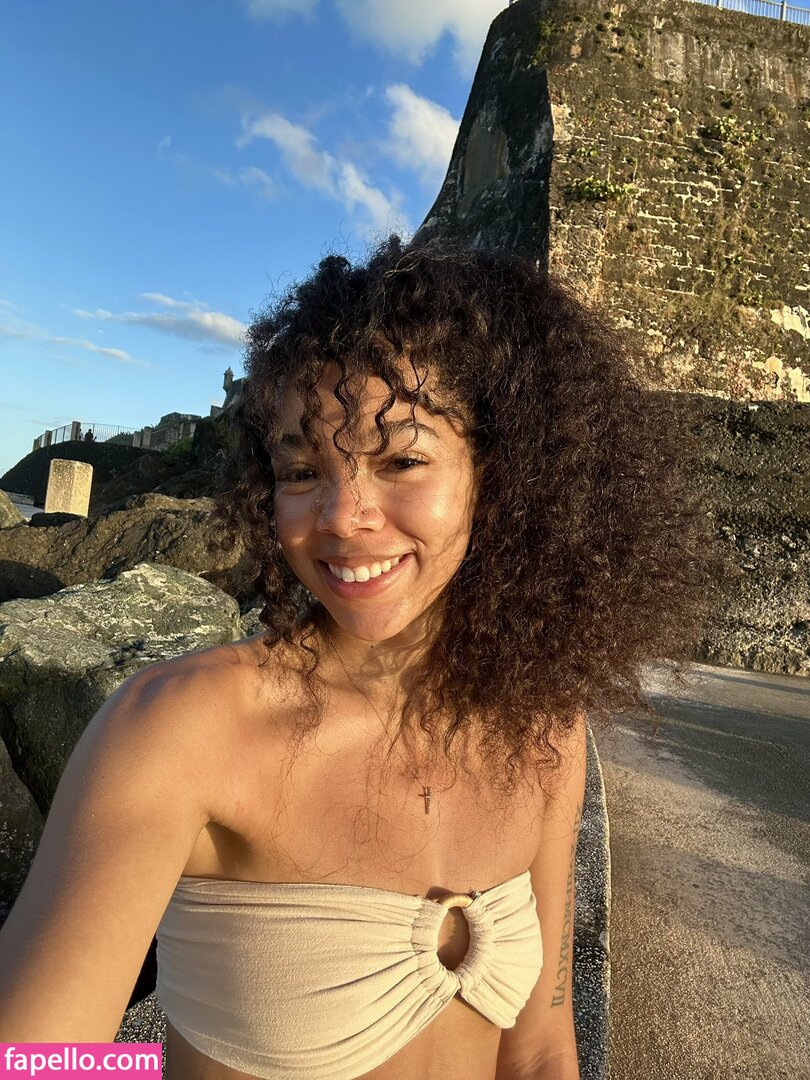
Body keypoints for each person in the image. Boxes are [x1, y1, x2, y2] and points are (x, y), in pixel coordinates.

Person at [0, 236, 730, 1079]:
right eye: (301, 470)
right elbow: (38, 1059)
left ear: (501, 476)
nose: (343, 517)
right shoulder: (180, 728)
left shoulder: (543, 730)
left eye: (403, 460)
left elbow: (540, 1051)